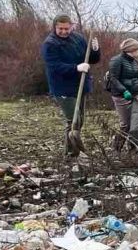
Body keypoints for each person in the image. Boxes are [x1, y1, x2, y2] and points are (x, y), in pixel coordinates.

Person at [41, 14, 101, 157]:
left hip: (80, 85)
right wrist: (76, 68)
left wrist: (95, 49)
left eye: (66, 28)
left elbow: (91, 59)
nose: (64, 31)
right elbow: (55, 66)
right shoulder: (50, 44)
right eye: (60, 28)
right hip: (63, 88)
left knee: (80, 121)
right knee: (73, 120)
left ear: (72, 27)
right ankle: (71, 152)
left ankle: (72, 150)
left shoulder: (78, 38)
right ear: (55, 27)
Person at [107, 38, 138, 151]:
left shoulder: (135, 62)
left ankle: (133, 148)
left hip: (135, 94)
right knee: (126, 124)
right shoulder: (116, 61)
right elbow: (113, 79)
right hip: (121, 96)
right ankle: (116, 148)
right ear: (132, 49)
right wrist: (124, 91)